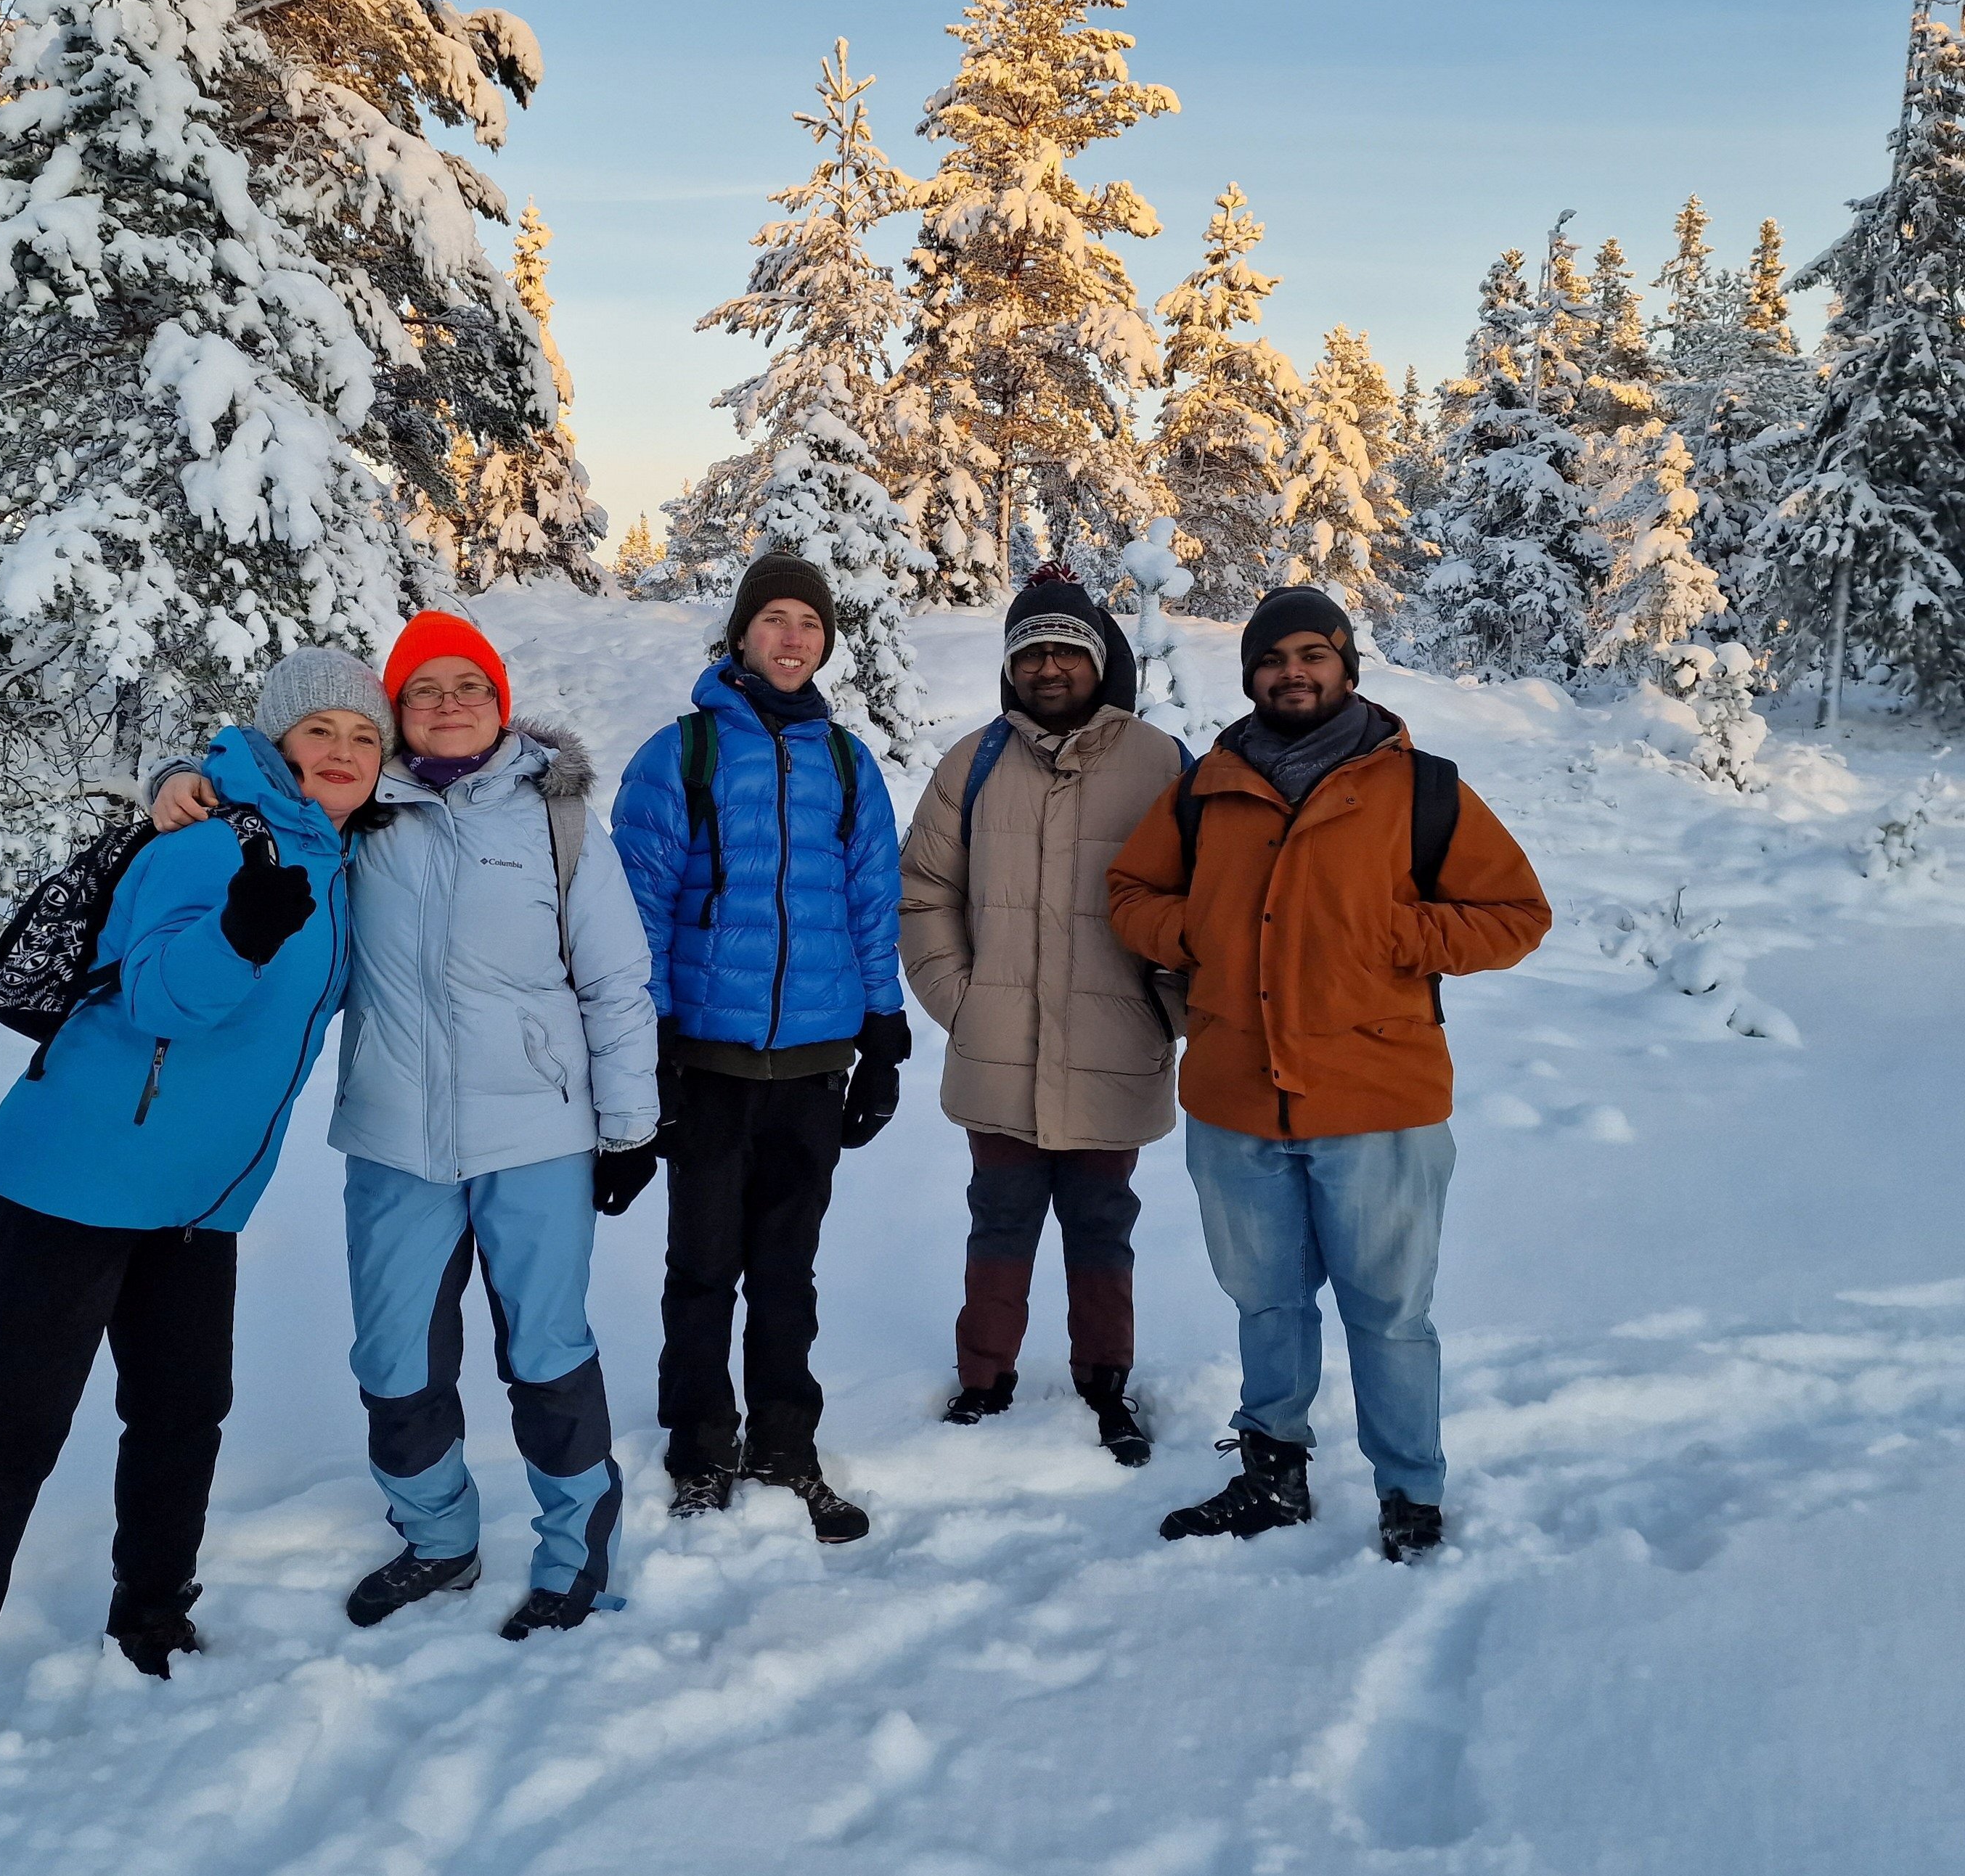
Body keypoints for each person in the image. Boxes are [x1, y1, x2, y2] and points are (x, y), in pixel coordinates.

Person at [0, 648, 387, 1803]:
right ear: (278, 744)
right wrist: (237, 935)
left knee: (183, 1413)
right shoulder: (205, 846)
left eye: (363, 735)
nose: (344, 752)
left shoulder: (340, 859)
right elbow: (157, 996)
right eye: (321, 733)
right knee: (5, 1437)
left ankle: (151, 1613)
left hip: (197, 1203)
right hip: (73, 1185)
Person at [152, 612, 658, 1640]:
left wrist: (630, 1124)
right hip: (393, 1138)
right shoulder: (351, 816)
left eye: (468, 685)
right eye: (422, 690)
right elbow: (250, 785)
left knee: (549, 1353)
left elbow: (615, 980)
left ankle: (575, 1555)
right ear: (396, 714)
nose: (448, 704)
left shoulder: (559, 822)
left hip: (539, 1136)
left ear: (500, 702)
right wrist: (174, 773)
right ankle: (439, 1540)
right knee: (394, 1361)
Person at [1106, 587, 1551, 1563]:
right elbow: (1131, 891)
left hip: (1377, 1100)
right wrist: (1196, 934)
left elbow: (1516, 913)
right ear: (1250, 675)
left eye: (1313, 655)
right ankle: (1271, 1469)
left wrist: (1397, 932)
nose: (1291, 672)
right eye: (1272, 659)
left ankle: (1410, 1492)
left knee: (1389, 1314)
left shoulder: (1420, 789)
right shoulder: (1206, 788)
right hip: (1234, 1097)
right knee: (1265, 1302)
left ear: (1347, 668)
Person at [609, 552, 908, 1544]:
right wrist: (645, 1036)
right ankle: (700, 1449)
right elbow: (639, 904)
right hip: (709, 1064)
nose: (791, 638)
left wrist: (883, 1030)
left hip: (815, 1069)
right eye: (774, 618)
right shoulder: (680, 755)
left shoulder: (845, 762)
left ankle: (786, 1442)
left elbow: (870, 903)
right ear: (740, 633)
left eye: (808, 624)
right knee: (701, 1271)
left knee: (787, 1270)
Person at [896, 563, 1188, 1465]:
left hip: (1113, 1049)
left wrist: (1170, 1012)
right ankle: (984, 1377)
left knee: (1103, 1225)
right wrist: (967, 1003)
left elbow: (1198, 903)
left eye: (1066, 649)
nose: (1048, 667)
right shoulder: (971, 762)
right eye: (1030, 652)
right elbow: (924, 894)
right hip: (1001, 1055)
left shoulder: (1162, 764)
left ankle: (1106, 1380)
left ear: (1100, 661)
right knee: (1000, 1218)